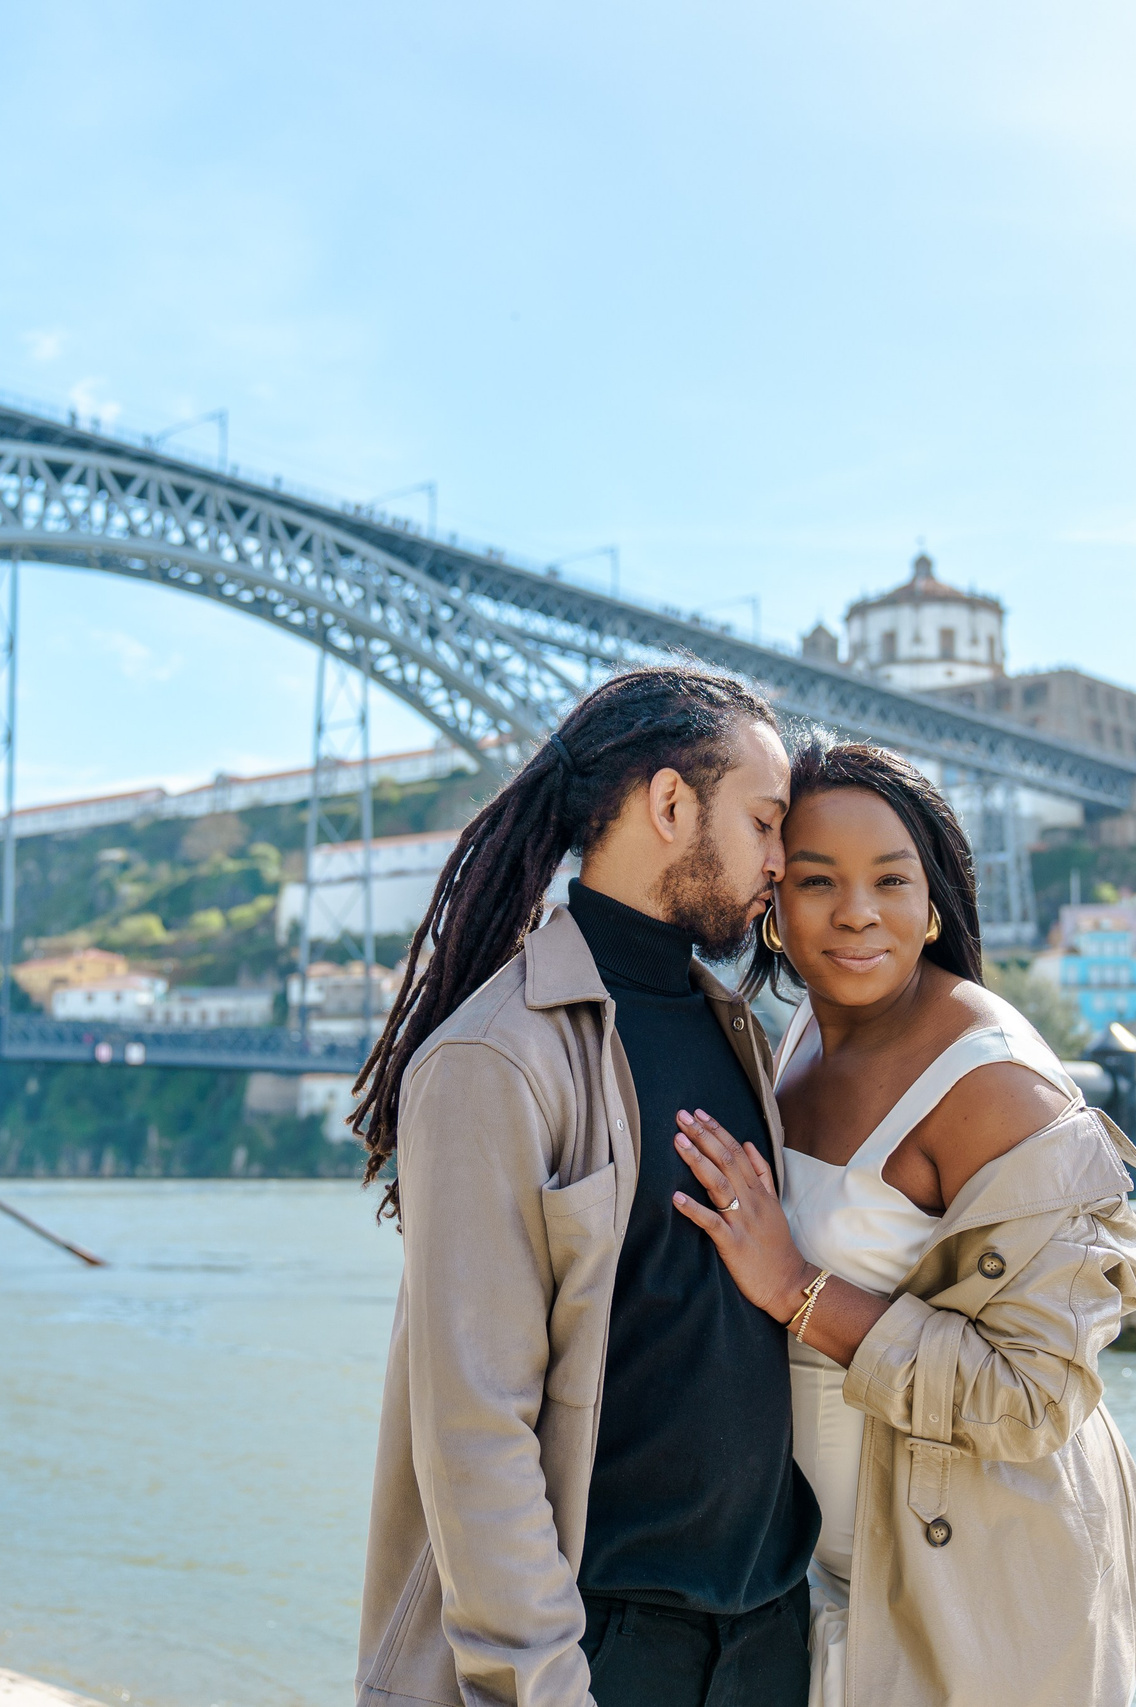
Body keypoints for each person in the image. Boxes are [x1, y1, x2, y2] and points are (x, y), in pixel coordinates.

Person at [352, 665, 820, 1707]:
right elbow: (477, 1426)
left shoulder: (743, 1031)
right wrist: (545, 1686)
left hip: (767, 1639)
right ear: (668, 805)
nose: (781, 864)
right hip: (603, 1654)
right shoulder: (494, 1057)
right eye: (762, 822)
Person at [666, 741, 1136, 1707]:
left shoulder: (996, 1088)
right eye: (818, 880)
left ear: (933, 899)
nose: (857, 911)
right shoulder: (801, 1032)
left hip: (980, 1600)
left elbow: (1034, 1394)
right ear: (773, 902)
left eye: (891, 879)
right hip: (825, 1585)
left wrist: (795, 1290)